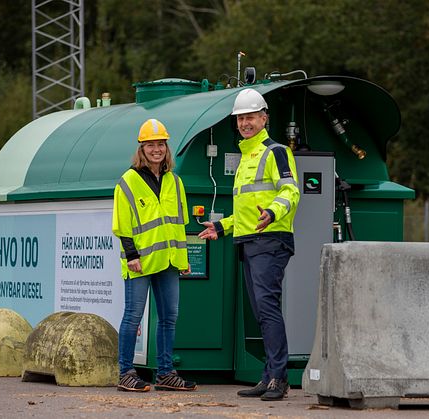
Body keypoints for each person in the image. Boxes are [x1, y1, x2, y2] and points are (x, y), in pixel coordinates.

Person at [198, 89, 300, 401]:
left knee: (267, 309)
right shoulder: (246, 156)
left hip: (270, 240)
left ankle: (279, 379)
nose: (245, 123)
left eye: (250, 117)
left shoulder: (276, 152)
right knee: (260, 311)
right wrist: (221, 226)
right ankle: (268, 376)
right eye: (241, 118)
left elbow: (292, 191)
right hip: (250, 240)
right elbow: (245, 212)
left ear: (264, 117)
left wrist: (272, 212)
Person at [112, 118, 197, 392]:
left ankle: (165, 373)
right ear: (142, 148)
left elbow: (180, 224)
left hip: (169, 261)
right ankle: (125, 372)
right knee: (133, 316)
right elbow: (122, 224)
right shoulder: (128, 181)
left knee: (169, 317)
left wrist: (183, 261)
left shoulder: (175, 181)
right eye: (151, 145)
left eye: (161, 144)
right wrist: (131, 255)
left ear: (166, 148)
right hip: (140, 261)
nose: (156, 149)